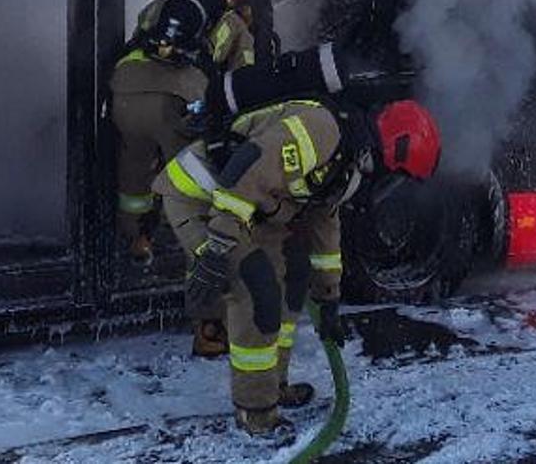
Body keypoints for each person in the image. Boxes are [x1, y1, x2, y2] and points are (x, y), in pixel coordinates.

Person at [163, 97, 441, 436]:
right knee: (257, 290)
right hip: (201, 195)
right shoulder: (321, 130)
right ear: (394, 149)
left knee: (295, 276)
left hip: (247, 210)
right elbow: (249, 170)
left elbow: (325, 226)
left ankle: (274, 386)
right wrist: (218, 246)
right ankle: (255, 411)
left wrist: (328, 297)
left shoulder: (348, 164)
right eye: (397, 174)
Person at [109, 0, 255, 357]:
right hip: (175, 106)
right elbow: (245, 80)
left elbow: (139, 38)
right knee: (197, 209)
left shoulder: (160, 5)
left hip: (124, 95)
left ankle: (136, 240)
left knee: (134, 175)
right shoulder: (228, 22)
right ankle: (209, 326)